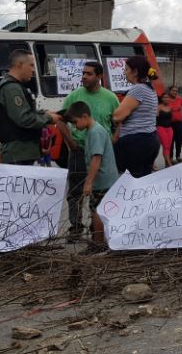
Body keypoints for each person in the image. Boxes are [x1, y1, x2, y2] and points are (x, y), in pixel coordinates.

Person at [60, 61, 120, 238]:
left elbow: (119, 120)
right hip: (79, 151)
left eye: (89, 74)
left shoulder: (110, 98)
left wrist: (114, 138)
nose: (84, 77)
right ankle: (77, 227)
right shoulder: (74, 97)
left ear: (99, 76)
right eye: (83, 73)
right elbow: (62, 119)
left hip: (99, 152)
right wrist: (71, 143)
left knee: (97, 198)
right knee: (76, 192)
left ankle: (98, 234)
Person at [0, 49, 61, 165]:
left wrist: (45, 113)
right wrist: (49, 119)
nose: (33, 70)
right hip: (19, 154)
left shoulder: (14, 86)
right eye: (31, 65)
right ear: (20, 65)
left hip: (21, 153)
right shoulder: (12, 88)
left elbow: (24, 112)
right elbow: (24, 119)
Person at [67, 101, 119, 245]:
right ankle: (99, 240)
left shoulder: (96, 132)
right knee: (95, 208)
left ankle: (98, 242)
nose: (75, 126)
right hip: (101, 180)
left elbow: (97, 158)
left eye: (75, 122)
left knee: (97, 210)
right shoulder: (92, 131)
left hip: (102, 180)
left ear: (85, 116)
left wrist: (88, 182)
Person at [112, 55, 160, 178]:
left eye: (126, 69)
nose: (124, 72)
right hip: (150, 139)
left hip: (136, 141)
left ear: (135, 72)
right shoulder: (150, 88)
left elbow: (117, 116)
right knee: (142, 181)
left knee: (129, 181)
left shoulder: (138, 89)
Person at [168, 86, 182, 163]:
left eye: (176, 91)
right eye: (173, 91)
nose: (175, 92)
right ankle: (170, 157)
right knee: (170, 141)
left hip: (179, 123)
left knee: (179, 140)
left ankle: (178, 156)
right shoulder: (166, 100)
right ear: (170, 91)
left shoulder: (180, 99)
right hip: (170, 123)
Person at [156, 93, 174, 168]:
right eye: (164, 97)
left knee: (168, 147)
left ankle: (166, 164)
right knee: (166, 145)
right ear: (161, 99)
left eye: (167, 97)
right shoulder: (159, 107)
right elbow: (155, 118)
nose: (166, 99)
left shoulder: (170, 108)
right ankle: (169, 164)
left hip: (169, 129)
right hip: (161, 128)